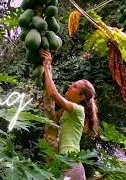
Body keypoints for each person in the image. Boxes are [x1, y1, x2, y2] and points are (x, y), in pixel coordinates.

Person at [41, 50, 99, 180]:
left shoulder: (78, 110)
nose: (70, 86)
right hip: (63, 162)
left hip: (70, 163)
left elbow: (53, 94)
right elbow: (52, 122)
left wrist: (46, 66)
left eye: (74, 86)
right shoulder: (66, 112)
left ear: (81, 96)